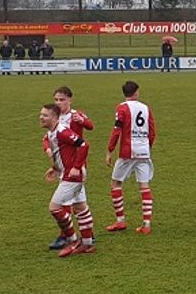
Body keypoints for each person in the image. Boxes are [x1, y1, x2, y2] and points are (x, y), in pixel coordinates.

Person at [40, 103, 96, 258]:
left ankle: (72, 240)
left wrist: (76, 167)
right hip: (68, 173)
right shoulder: (52, 133)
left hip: (72, 176)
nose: (41, 117)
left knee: (55, 207)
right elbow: (63, 153)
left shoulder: (62, 131)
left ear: (54, 118)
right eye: (41, 114)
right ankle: (87, 244)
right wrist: (55, 167)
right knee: (80, 208)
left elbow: (84, 145)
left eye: (45, 115)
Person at [105, 81, 156, 234]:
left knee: (115, 183)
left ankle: (120, 221)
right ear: (136, 92)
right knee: (144, 186)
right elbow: (152, 131)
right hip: (144, 151)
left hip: (128, 151)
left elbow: (116, 130)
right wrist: (147, 147)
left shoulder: (122, 108)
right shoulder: (146, 108)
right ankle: (146, 225)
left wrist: (110, 150)